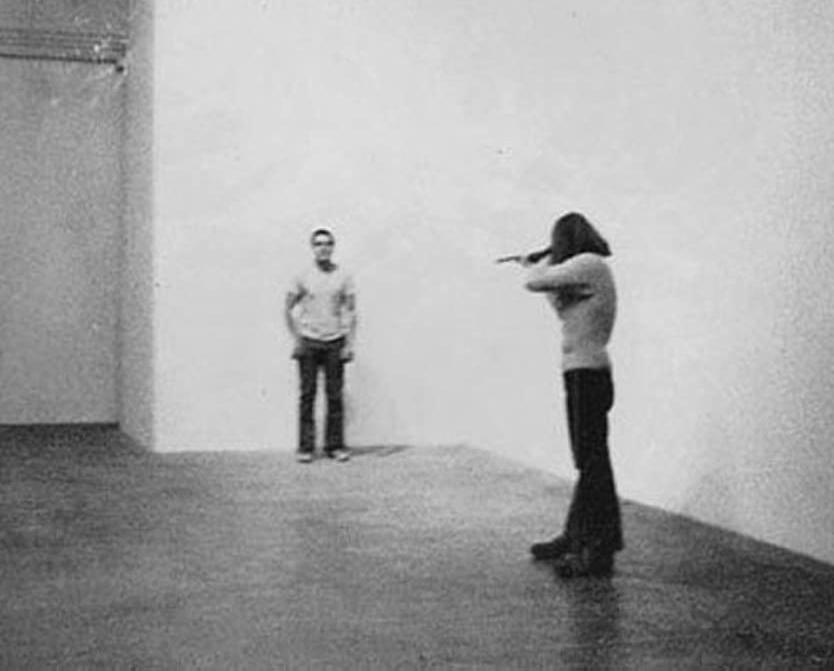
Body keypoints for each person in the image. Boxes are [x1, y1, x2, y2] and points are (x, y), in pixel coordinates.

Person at [522, 212, 623, 577]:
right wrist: (540, 266)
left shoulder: (589, 264)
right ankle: (576, 537)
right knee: (589, 461)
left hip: (587, 374)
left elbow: (535, 283)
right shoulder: (584, 273)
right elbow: (559, 303)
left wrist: (537, 263)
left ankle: (598, 550)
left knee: (592, 463)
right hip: (582, 373)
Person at [285, 228, 357, 463]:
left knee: (334, 396)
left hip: (335, 342)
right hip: (309, 342)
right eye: (318, 244)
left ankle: (334, 446)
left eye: (327, 243)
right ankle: (306, 448)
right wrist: (296, 339)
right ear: (312, 248)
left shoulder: (343, 276)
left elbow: (351, 311)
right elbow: (288, 307)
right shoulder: (302, 275)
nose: (323, 248)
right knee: (307, 395)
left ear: (333, 247)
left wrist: (349, 344)